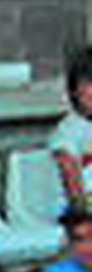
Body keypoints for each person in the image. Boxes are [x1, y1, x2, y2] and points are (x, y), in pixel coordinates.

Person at [49, 46, 92, 210]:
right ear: (74, 91)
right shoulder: (70, 128)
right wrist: (80, 207)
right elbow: (68, 166)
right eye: (89, 83)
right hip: (80, 206)